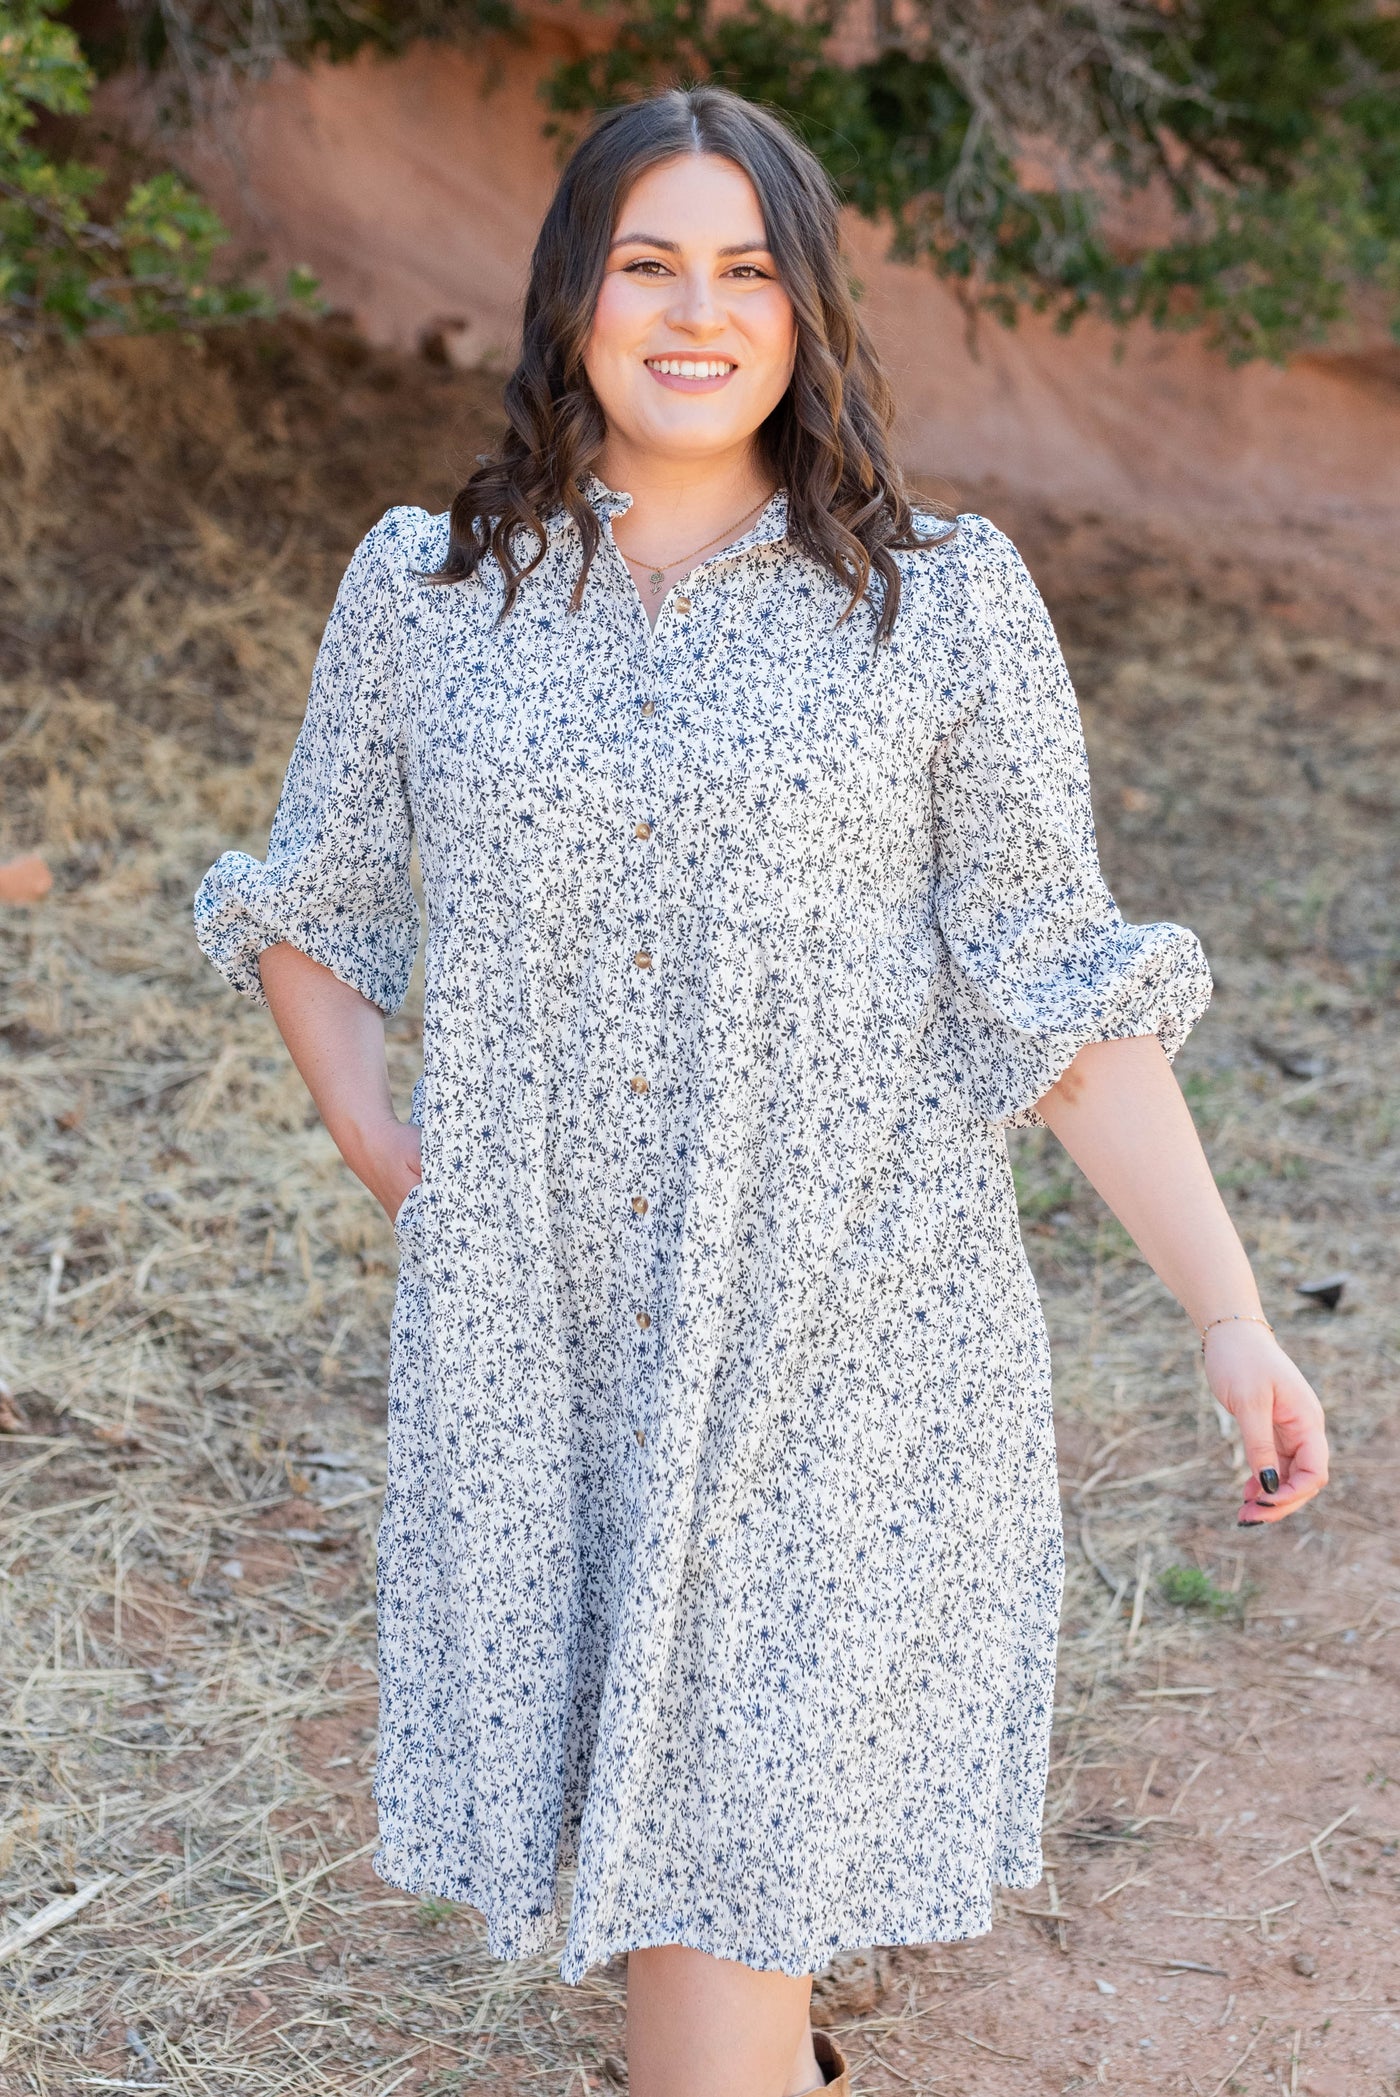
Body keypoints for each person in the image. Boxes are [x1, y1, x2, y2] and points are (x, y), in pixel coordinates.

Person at [194, 84, 1329, 2097]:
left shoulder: (937, 605)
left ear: (806, 311)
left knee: (717, 1889)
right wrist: (390, 1145)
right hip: (541, 1351)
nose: (695, 311)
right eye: (649, 263)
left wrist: (1229, 1313)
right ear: (574, 299)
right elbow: (316, 899)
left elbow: (1061, 988)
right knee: (669, 1890)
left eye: (746, 269)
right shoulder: (431, 593)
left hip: (844, 1342)